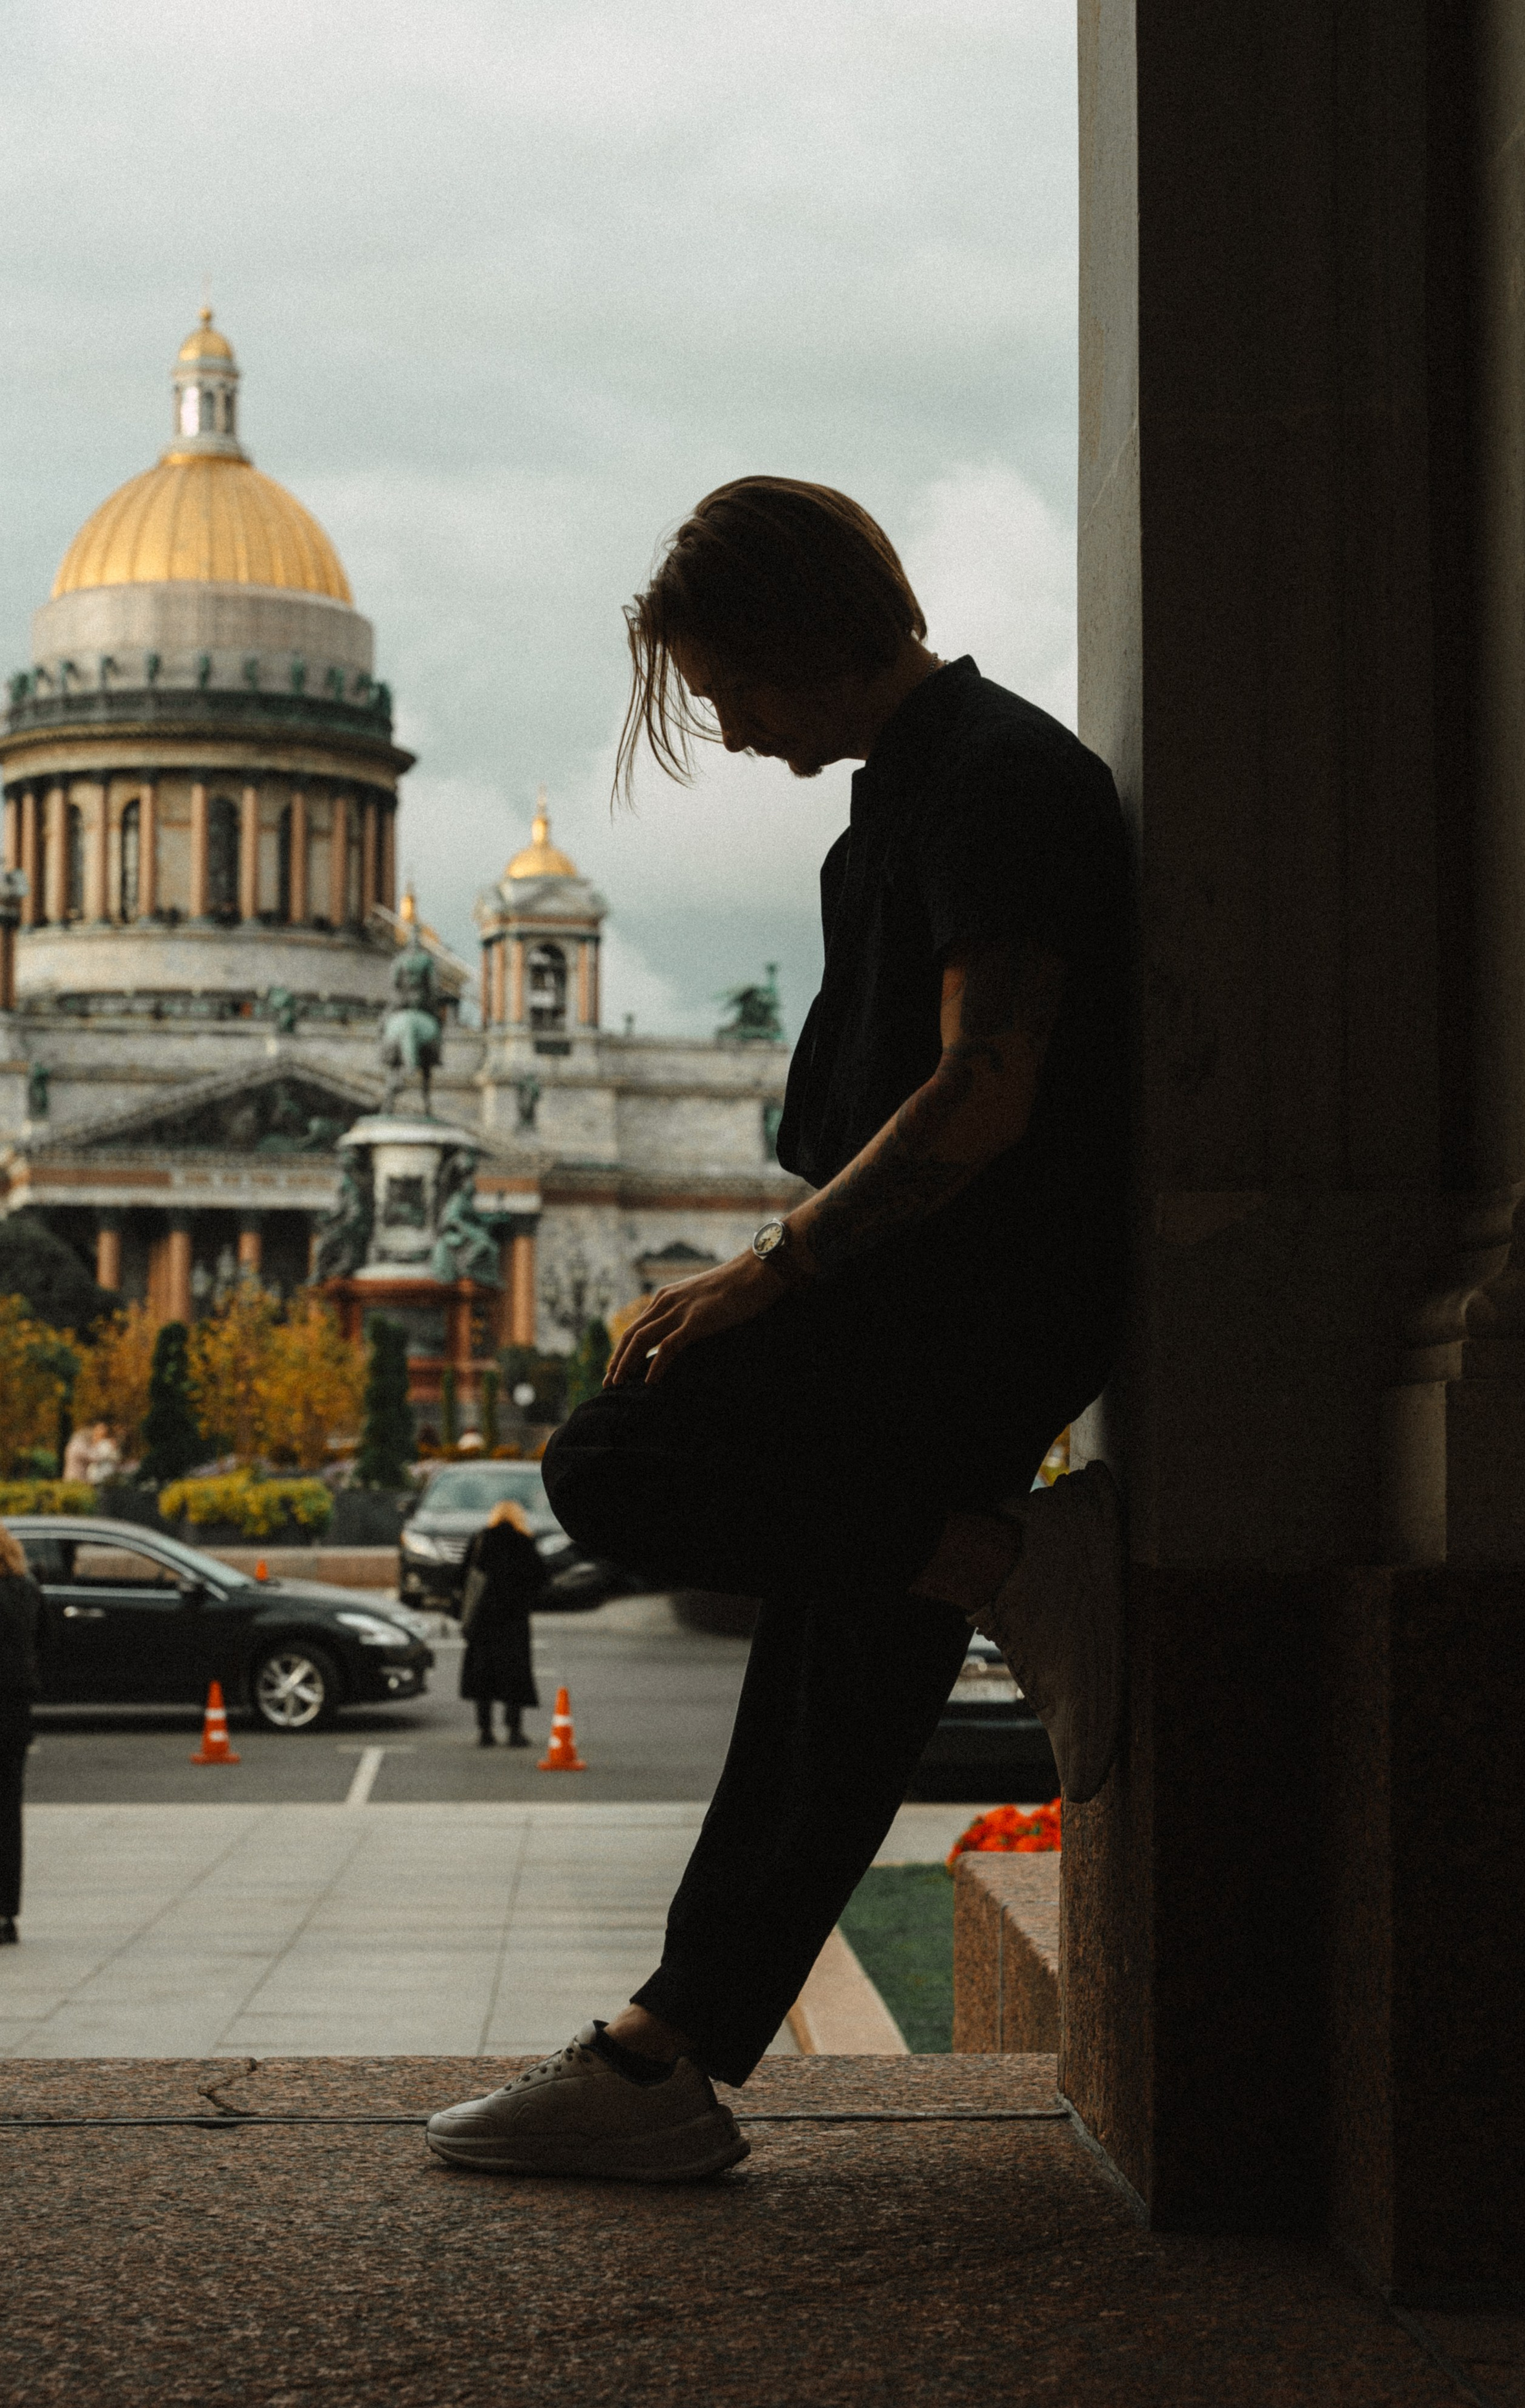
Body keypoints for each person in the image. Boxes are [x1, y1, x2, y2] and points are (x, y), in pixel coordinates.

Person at [427, 476, 1130, 2182]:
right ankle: (664, 2058)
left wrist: (763, 1275)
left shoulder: (995, 781)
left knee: (613, 1458)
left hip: (961, 1302)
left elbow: (984, 1092)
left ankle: (1003, 1560)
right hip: (933, 1296)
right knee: (839, 1686)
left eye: (720, 683)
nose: (720, 729)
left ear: (789, 640)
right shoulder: (917, 793)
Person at [458, 1500, 544, 1748]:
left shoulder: (480, 1541)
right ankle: (514, 1730)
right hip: (514, 1622)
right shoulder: (524, 1542)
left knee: (483, 1675)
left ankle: (485, 1731)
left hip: (483, 1621)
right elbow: (540, 1579)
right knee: (514, 1676)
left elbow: (462, 1577)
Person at [0, 1523, 44, 1945]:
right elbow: (41, 1645)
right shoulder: (27, 1591)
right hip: (15, 1714)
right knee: (9, 1815)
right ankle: (6, 1914)